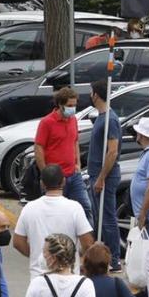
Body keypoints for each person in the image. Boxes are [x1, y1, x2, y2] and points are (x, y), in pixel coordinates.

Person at [13, 165, 95, 278]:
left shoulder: (29, 208)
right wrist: (78, 257)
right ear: (63, 181)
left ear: (42, 183)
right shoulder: (74, 208)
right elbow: (87, 242)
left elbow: (18, 242)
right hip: (68, 276)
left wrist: (36, 255)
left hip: (39, 276)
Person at [35, 87, 93, 222]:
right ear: (60, 105)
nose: (73, 109)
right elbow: (38, 148)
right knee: (54, 215)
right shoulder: (47, 123)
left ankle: (87, 241)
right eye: (69, 106)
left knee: (85, 208)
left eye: (74, 105)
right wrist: (45, 174)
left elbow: (75, 142)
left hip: (74, 175)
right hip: (55, 178)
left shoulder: (73, 120)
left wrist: (77, 164)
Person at [86, 80, 122, 271]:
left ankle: (114, 259)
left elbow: (112, 152)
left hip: (105, 177)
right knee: (101, 217)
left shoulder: (111, 120)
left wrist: (101, 178)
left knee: (107, 218)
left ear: (96, 95)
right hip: (95, 174)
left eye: (91, 92)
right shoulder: (101, 117)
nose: (90, 95)